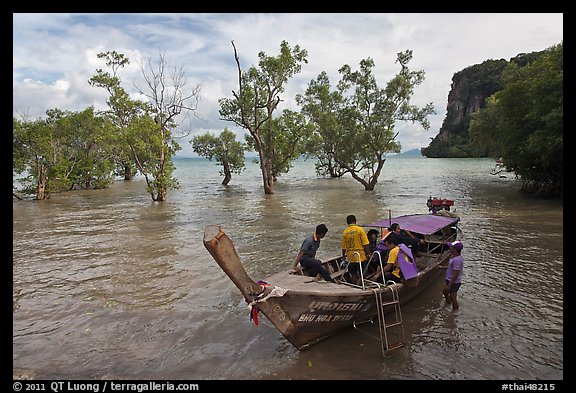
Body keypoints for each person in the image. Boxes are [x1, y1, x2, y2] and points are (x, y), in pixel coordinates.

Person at [341, 215, 371, 284]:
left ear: (347, 222)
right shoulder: (360, 230)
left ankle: (354, 286)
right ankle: (363, 285)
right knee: (363, 273)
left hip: (350, 257)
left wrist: (343, 256)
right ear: (355, 221)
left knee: (353, 273)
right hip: (360, 256)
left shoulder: (345, 232)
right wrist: (369, 253)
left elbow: (343, 247)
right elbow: (365, 244)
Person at [443, 241, 464, 310]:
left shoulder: (457, 260)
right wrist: (442, 267)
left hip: (454, 282)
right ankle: (448, 304)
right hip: (450, 280)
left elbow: (456, 274)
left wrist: (449, 286)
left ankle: (455, 311)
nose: (450, 248)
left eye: (451, 247)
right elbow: (452, 268)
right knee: (445, 292)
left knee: (453, 297)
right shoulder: (454, 257)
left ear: (455, 249)